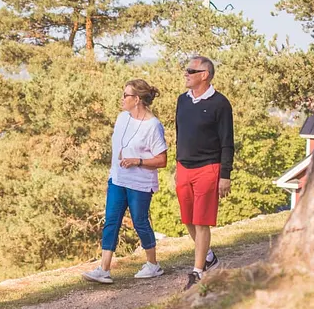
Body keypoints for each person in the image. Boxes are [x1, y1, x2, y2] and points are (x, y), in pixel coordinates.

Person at [83, 79, 168, 284]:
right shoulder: (122, 118)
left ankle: (153, 265)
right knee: (111, 220)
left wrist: (137, 160)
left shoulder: (153, 126)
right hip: (118, 179)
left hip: (140, 182)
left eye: (125, 95)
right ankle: (104, 269)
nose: (122, 99)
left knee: (140, 221)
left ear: (137, 99)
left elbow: (162, 160)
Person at [175, 56, 234, 290]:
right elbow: (180, 134)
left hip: (209, 168)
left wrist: (225, 175)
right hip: (184, 168)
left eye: (191, 70)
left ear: (204, 75)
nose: (186, 73)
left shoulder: (220, 104)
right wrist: (177, 166)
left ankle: (197, 272)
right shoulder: (182, 100)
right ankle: (209, 257)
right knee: (187, 219)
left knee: (201, 221)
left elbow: (227, 142)